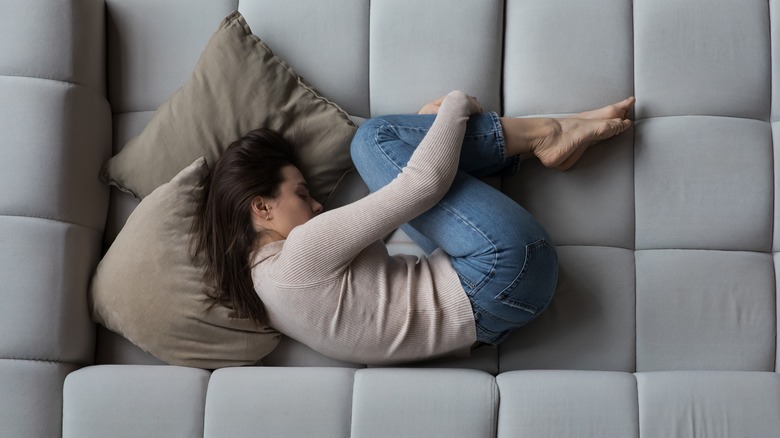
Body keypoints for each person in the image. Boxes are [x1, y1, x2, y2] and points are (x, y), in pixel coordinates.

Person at [193, 91, 634, 364]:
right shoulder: (303, 250)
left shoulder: (264, 291)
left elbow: (386, 214)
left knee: (396, 157)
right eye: (301, 193)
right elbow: (421, 186)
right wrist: (458, 104)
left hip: (491, 321)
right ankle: (549, 131)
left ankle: (552, 135)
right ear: (262, 208)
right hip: (506, 268)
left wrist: (426, 141)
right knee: (373, 140)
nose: (317, 203)